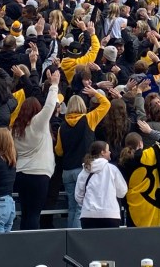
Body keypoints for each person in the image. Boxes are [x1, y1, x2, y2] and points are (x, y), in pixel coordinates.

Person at [11, 68, 61, 230]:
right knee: (34, 214)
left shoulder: (15, 129)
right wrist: (54, 85)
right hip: (39, 174)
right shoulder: (38, 123)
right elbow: (49, 106)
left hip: (21, 173)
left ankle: (23, 241)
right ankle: (31, 246)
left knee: (26, 213)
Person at [56, 87, 110, 228]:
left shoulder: (62, 126)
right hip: (83, 169)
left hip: (67, 171)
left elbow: (59, 151)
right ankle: (75, 241)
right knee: (81, 208)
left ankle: (68, 238)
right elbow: (106, 104)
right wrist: (96, 93)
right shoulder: (89, 118)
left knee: (72, 208)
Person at [75, 140, 127, 229]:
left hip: (88, 215)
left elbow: (78, 196)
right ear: (102, 152)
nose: (110, 152)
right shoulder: (112, 169)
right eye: (108, 150)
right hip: (110, 214)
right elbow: (122, 192)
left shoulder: (85, 171)